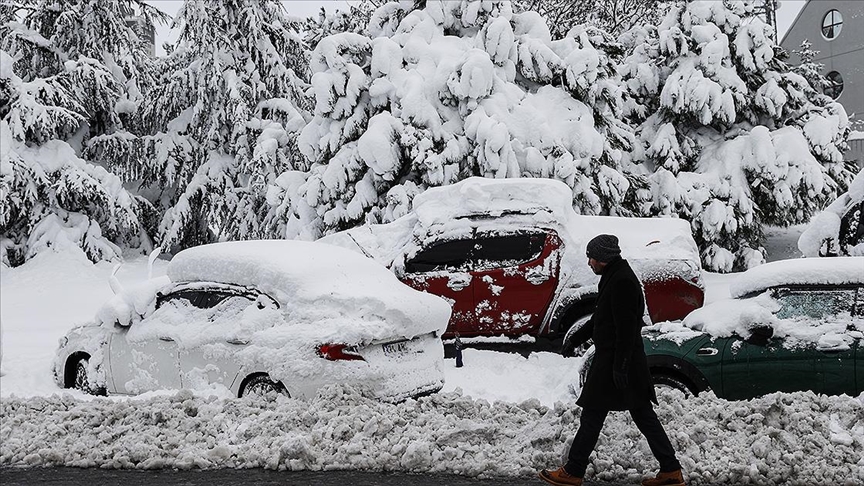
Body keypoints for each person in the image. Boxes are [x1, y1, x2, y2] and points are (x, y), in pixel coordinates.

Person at [539, 234, 685, 486]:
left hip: (617, 362)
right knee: (638, 416)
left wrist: (621, 367)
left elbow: (627, 329)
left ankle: (573, 471)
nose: (589, 263)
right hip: (619, 361)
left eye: (591, 258)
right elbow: (601, 317)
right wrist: (575, 338)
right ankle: (670, 470)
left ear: (603, 258)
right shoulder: (614, 277)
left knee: (596, 416)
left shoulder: (622, 282)